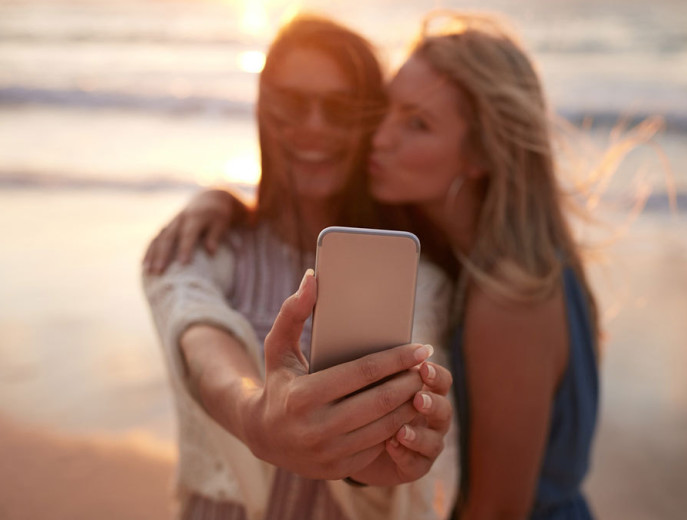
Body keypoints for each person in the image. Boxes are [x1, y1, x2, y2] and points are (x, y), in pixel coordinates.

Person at [146, 11, 607, 520]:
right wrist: (224, 201)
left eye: (416, 124)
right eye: (384, 112)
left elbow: (493, 509)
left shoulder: (507, 294)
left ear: (481, 155)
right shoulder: (453, 259)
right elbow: (198, 326)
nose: (381, 137)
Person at [143, 14, 458, 520]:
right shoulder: (199, 250)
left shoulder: (425, 281)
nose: (313, 125)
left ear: (370, 120)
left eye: (339, 107)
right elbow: (199, 338)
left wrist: (386, 451)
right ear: (262, 109)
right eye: (291, 102)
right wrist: (255, 414)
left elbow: (401, 461)